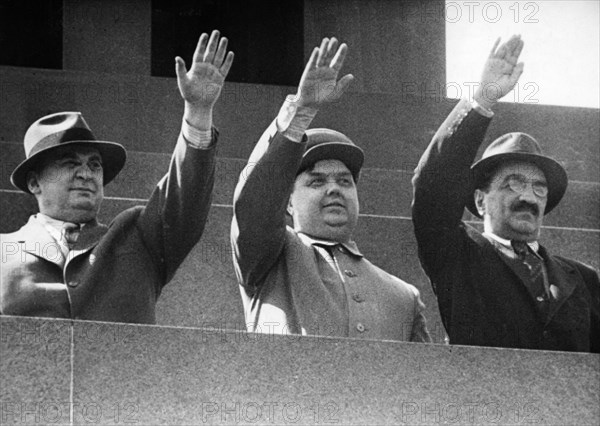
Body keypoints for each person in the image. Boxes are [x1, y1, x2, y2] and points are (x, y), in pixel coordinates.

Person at [0, 30, 234, 323]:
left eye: (95, 165)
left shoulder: (137, 237)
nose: (86, 173)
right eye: (70, 163)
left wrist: (198, 113)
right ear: (34, 182)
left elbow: (184, 198)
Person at [231, 37, 431, 341]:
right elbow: (255, 202)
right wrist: (302, 113)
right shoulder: (267, 258)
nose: (334, 189)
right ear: (287, 203)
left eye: (344, 181)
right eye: (317, 181)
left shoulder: (404, 296)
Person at [412, 35, 599, 352]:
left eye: (539, 187)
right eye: (514, 182)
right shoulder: (456, 255)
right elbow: (434, 187)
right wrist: (483, 99)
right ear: (481, 201)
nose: (529, 196)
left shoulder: (583, 278)